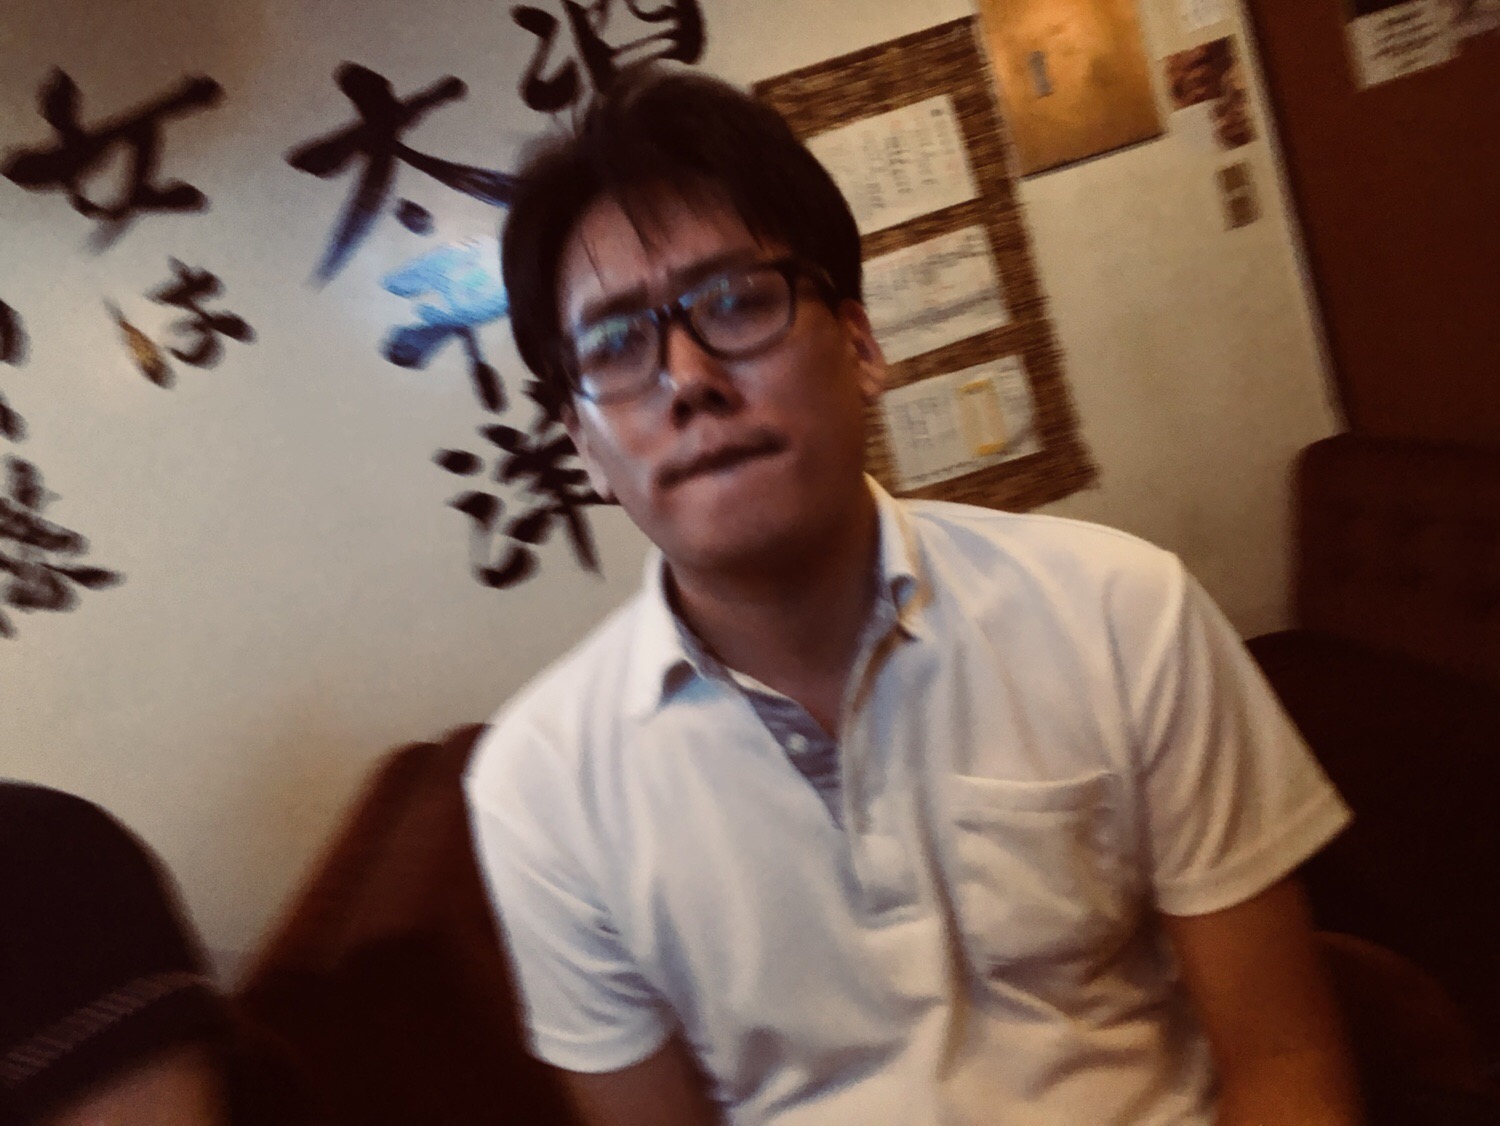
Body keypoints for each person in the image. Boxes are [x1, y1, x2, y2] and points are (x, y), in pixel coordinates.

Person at [465, 65, 1361, 1125]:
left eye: (738, 301)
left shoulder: (1124, 614)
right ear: (584, 443)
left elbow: (1286, 1057)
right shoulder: (541, 786)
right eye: (616, 343)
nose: (689, 376)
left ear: (860, 344)